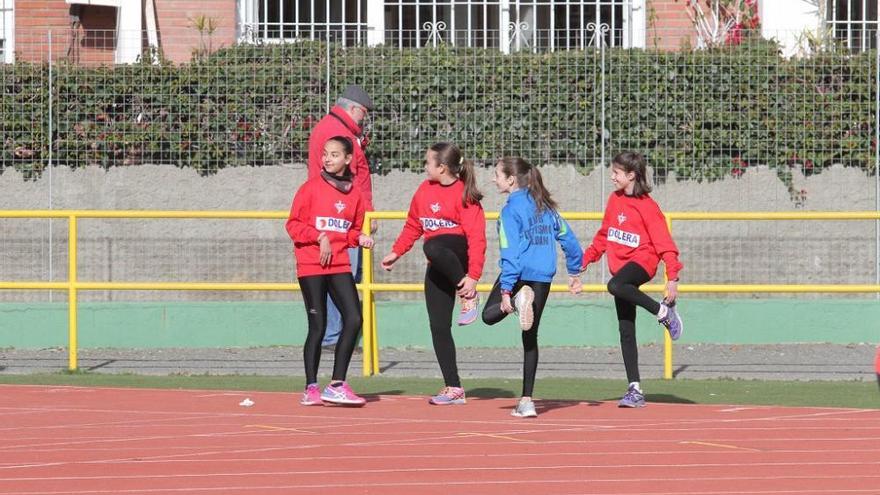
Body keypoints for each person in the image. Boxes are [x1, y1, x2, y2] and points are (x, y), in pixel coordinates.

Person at [381, 142, 486, 405]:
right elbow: (413, 225)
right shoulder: (423, 191)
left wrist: (472, 278)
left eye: (428, 162)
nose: (424, 166)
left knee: (434, 244)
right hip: (437, 264)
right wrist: (396, 252)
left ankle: (467, 294)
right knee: (438, 327)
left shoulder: (465, 195)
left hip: (457, 257)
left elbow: (477, 240)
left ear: (442, 167)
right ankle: (454, 388)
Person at [481, 157, 583, 418]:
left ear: (511, 180)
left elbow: (509, 251)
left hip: (519, 273)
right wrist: (574, 271)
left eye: (497, 175)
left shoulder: (509, 210)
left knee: (489, 316)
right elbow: (568, 237)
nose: (494, 179)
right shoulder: (545, 206)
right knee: (530, 336)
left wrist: (506, 290)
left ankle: (516, 302)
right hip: (543, 277)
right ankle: (526, 401)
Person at [580, 151, 684, 408]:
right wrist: (582, 261)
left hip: (643, 262)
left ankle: (663, 312)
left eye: (616, 172)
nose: (612, 176)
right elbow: (604, 235)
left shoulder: (648, 206)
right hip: (622, 269)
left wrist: (672, 278)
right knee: (625, 329)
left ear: (631, 175)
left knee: (614, 286)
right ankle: (635, 389)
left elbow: (665, 244)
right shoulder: (614, 200)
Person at [286, 136, 374, 406]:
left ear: (348, 159)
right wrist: (318, 235)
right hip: (312, 265)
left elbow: (350, 232)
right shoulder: (310, 188)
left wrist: (359, 239)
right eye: (325, 154)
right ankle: (311, 387)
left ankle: (337, 383)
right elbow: (292, 225)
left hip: (339, 263)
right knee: (319, 326)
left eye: (335, 154)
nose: (327, 159)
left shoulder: (355, 194)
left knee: (354, 318)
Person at [306, 84, 376, 351]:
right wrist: (363, 212)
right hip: (338, 214)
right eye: (363, 114)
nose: (364, 119)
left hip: (339, 212)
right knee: (340, 273)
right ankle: (334, 337)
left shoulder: (334, 128)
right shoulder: (336, 132)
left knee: (341, 273)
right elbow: (346, 176)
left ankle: (334, 334)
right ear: (354, 109)